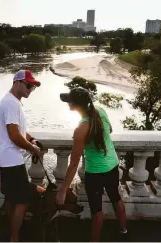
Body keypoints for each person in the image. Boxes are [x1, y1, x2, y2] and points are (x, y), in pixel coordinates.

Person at [56, 87, 127, 241]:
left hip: (95, 172)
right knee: (116, 198)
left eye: (69, 101)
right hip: (112, 165)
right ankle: (124, 230)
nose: (68, 103)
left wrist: (63, 190)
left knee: (97, 211)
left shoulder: (81, 129)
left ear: (74, 105)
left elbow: (74, 164)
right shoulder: (100, 111)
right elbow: (110, 129)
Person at [0, 69, 42, 242]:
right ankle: (15, 238)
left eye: (33, 87)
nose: (31, 89)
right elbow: (14, 136)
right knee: (23, 201)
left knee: (11, 200)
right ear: (17, 83)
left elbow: (20, 130)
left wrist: (32, 139)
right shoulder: (11, 104)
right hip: (14, 161)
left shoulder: (12, 102)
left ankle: (11, 233)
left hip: (7, 159)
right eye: (29, 85)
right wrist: (32, 148)